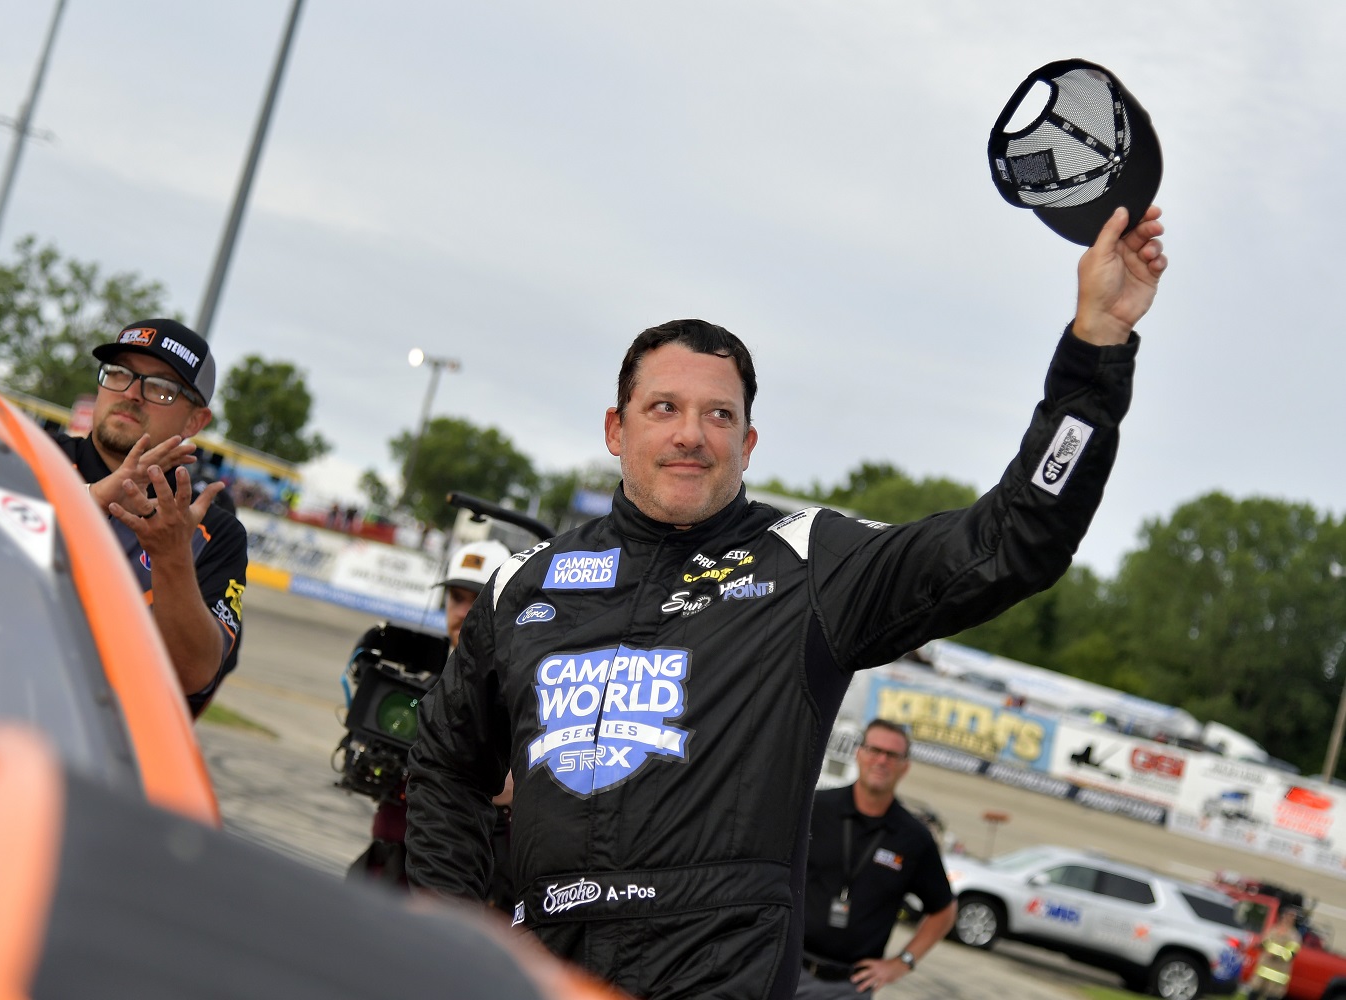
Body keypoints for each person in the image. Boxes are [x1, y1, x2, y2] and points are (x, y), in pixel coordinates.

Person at [405, 206, 1167, 1000]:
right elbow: (443, 768)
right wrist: (461, 944)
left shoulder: (811, 560)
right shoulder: (525, 585)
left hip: (717, 975)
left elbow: (1012, 539)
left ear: (748, 443)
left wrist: (1096, 348)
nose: (691, 434)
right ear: (615, 428)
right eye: (664, 407)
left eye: (719, 415)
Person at [56, 318, 248, 717]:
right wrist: (90, 499)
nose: (131, 394)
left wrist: (172, 557)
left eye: (161, 387)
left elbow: (195, 675)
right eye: (120, 373)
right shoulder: (34, 455)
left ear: (196, 421)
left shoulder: (212, 530)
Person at [348, 539, 513, 894]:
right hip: (389, 866)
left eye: (477, 599)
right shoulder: (417, 685)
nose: (463, 612)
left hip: (468, 882)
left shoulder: (521, 688)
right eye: (456, 598)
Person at [797, 721, 955, 999]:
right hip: (788, 970)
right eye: (874, 750)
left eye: (892, 755)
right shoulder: (814, 808)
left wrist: (903, 962)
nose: (881, 760)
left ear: (905, 766)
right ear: (859, 753)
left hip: (849, 987)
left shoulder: (914, 838)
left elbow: (944, 911)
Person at [1246, 906, 1302, 1000]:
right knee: (1254, 993)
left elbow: (1290, 954)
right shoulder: (1273, 930)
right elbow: (1265, 943)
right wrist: (1260, 945)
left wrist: (1274, 953)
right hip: (1263, 968)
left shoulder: (1294, 936)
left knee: (1272, 996)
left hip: (1277, 973)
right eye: (1287, 916)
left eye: (1292, 917)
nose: (1288, 919)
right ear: (1283, 916)